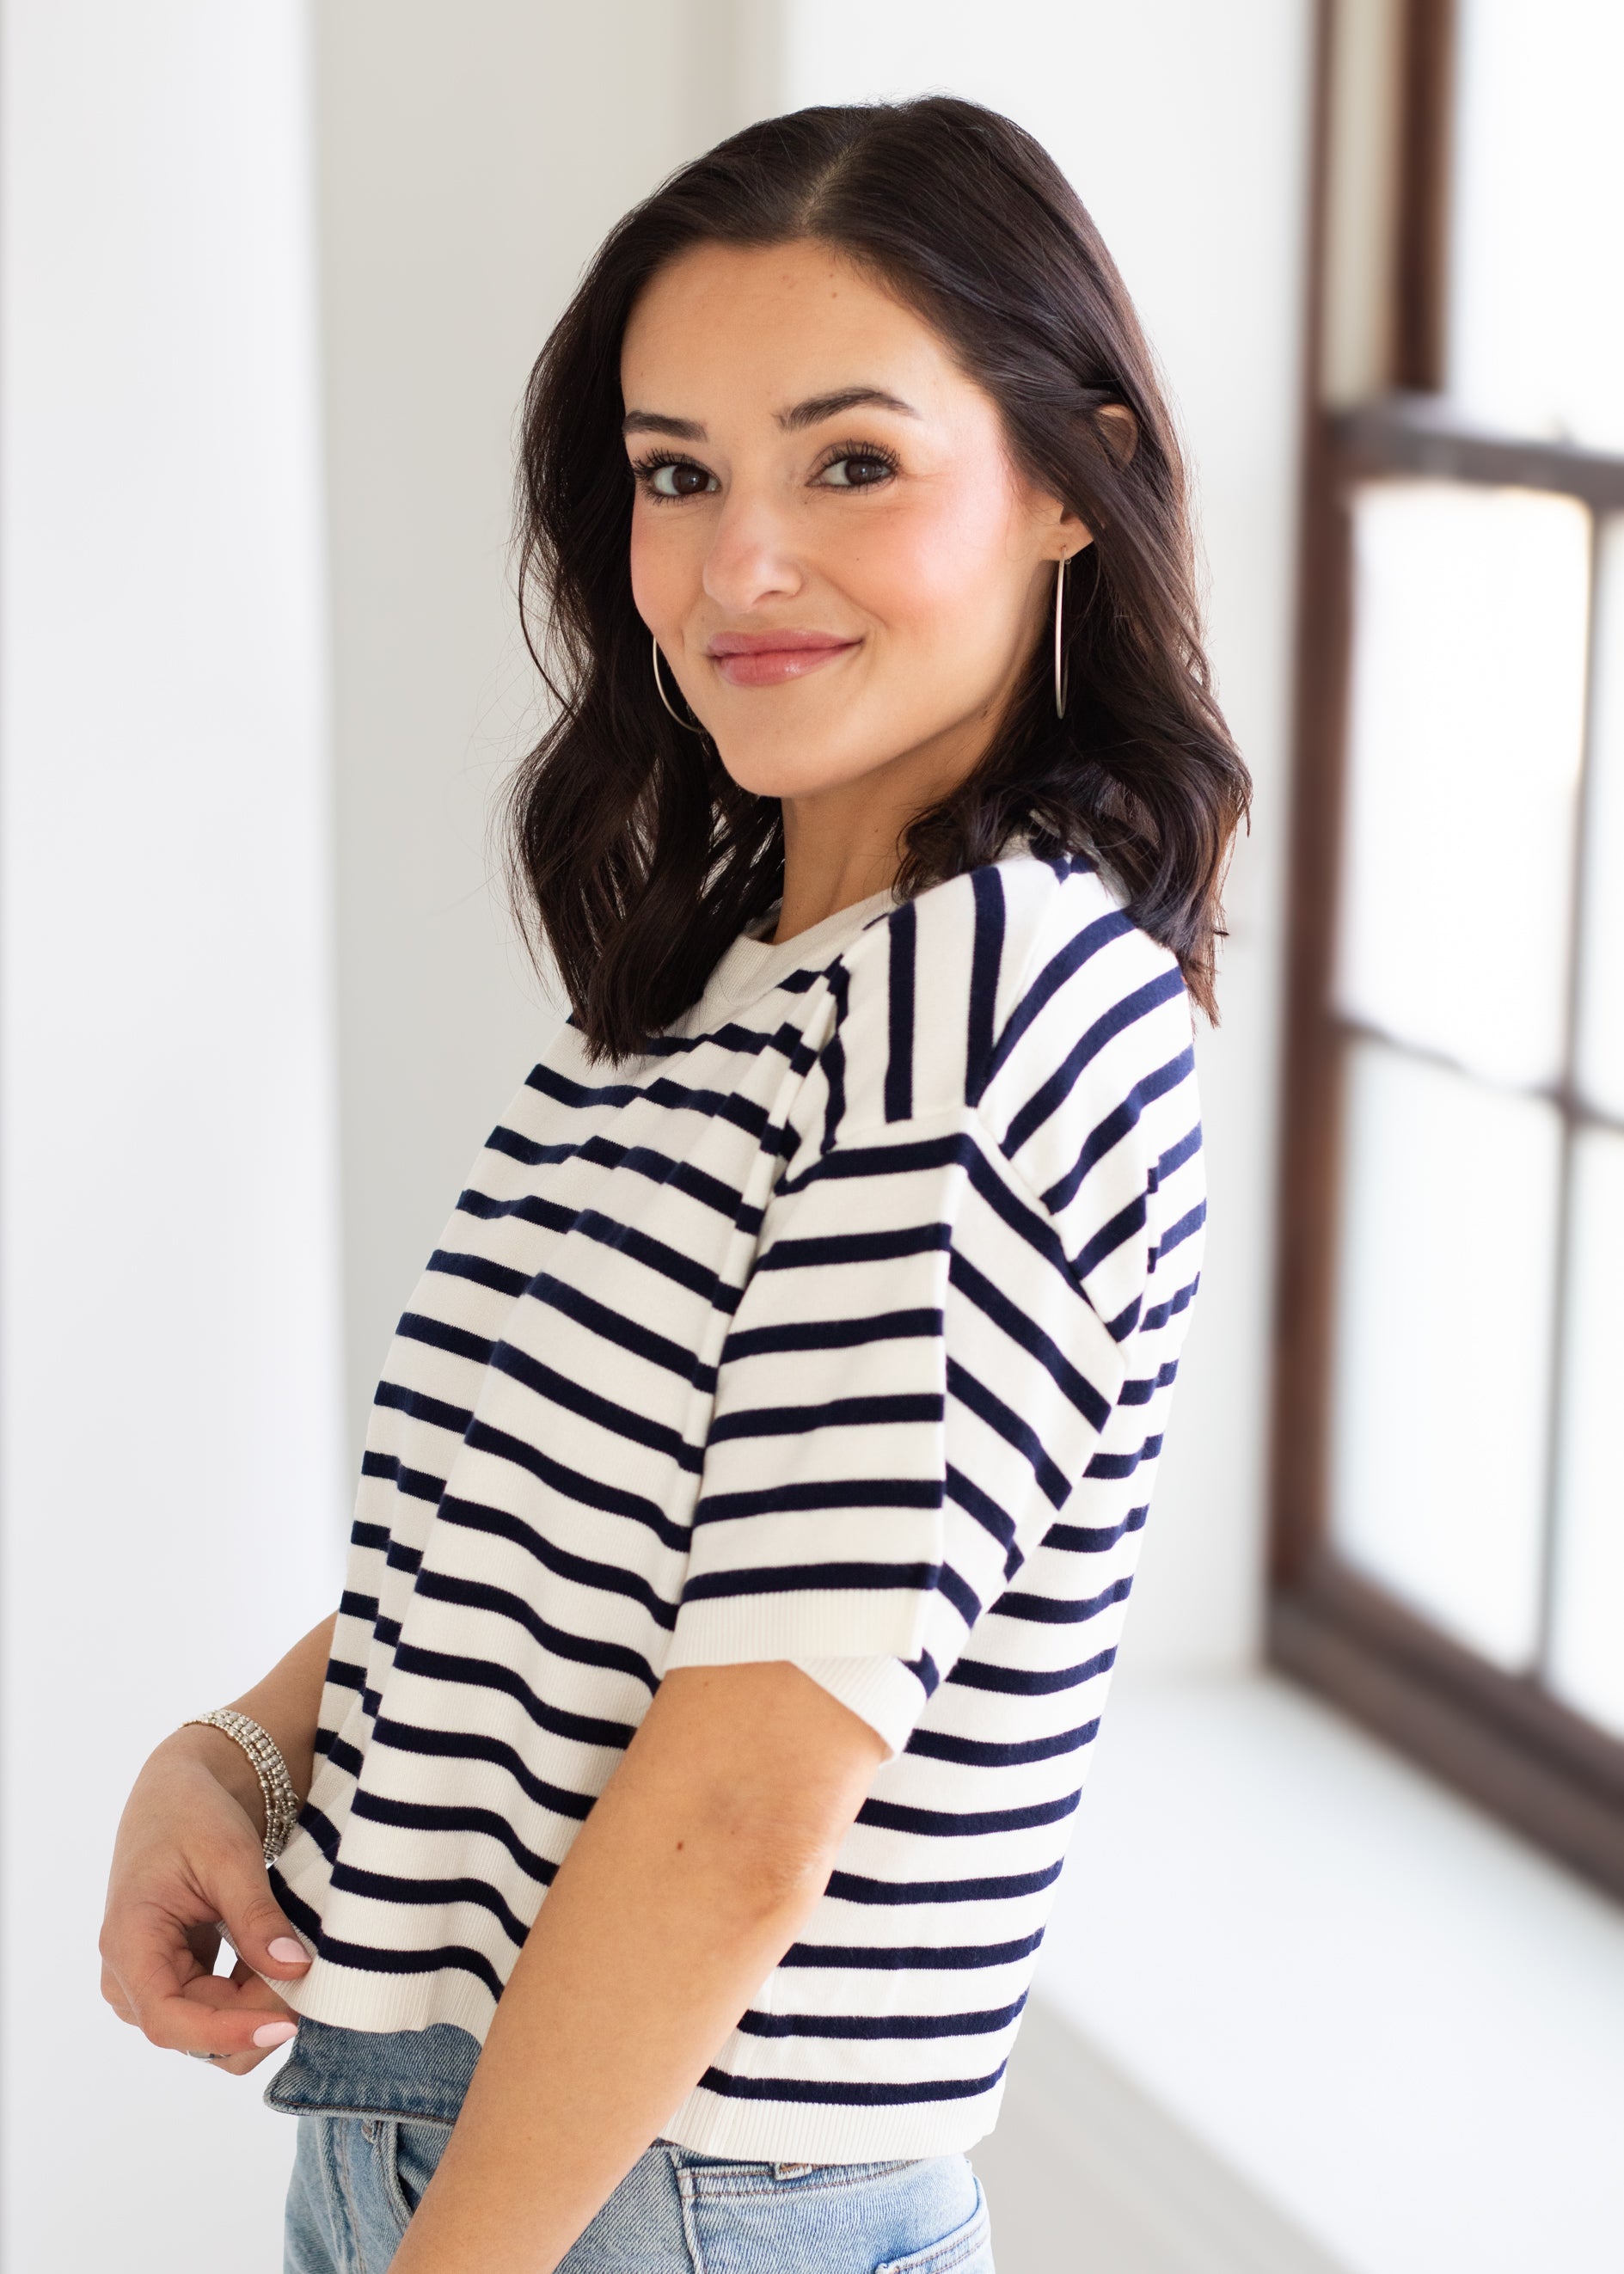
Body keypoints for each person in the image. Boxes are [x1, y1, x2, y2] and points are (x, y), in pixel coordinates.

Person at [100, 95, 1247, 2274]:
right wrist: (249, 1752)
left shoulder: (982, 1004)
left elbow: (743, 1804)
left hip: (659, 2198)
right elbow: (580, 1554)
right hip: (501, 2144)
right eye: (676, 474)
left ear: (1069, 483)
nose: (739, 566)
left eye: (852, 463)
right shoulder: (750, 981)